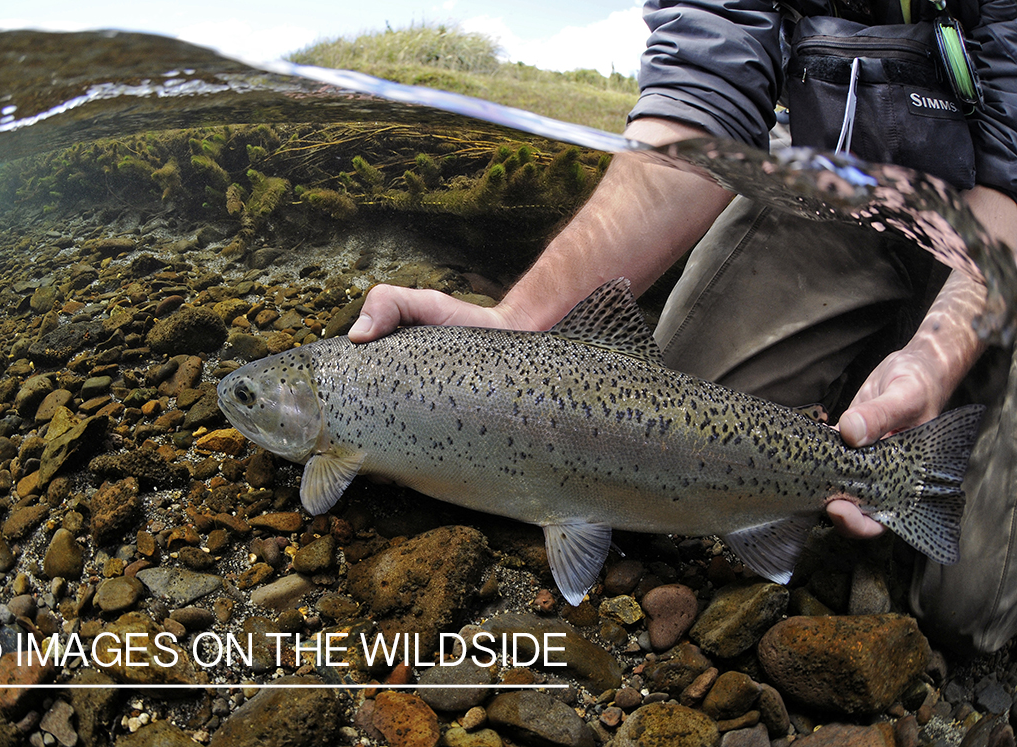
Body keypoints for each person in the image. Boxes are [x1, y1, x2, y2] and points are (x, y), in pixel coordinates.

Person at [349, 0, 1017, 653]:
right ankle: (856, 405)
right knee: (647, 442)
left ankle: (906, 377)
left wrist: (936, 355)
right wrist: (518, 320)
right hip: (833, 174)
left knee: (963, 612)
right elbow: (704, 94)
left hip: (1000, 217)